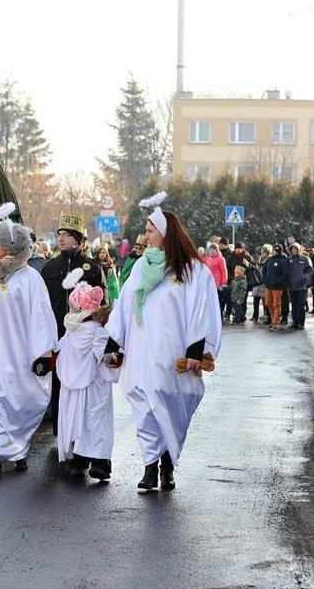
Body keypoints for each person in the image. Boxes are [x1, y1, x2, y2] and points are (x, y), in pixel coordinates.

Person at [105, 192, 222, 491]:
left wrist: (197, 349)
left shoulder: (192, 271)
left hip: (174, 356)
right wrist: (113, 343)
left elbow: (202, 309)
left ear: (166, 233)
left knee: (169, 404)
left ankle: (167, 462)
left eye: (150, 231)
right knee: (144, 405)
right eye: (145, 231)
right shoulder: (142, 268)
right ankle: (149, 466)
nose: (145, 236)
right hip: (141, 351)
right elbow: (125, 305)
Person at [0, 205, 58, 474]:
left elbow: (41, 318)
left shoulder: (30, 279)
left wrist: (42, 355)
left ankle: (18, 450)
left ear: (10, 248)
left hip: (20, 355)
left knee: (19, 403)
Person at [41, 212, 104, 432]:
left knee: (84, 383)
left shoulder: (93, 268)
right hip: (58, 333)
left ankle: (84, 432)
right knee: (60, 381)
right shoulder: (49, 268)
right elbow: (42, 304)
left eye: (67, 234)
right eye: (59, 234)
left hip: (83, 337)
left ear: (78, 238)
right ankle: (62, 429)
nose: (61, 238)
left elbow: (102, 303)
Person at [56, 273, 118, 481]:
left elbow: (102, 352)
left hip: (94, 384)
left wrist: (109, 358)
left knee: (94, 421)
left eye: (73, 306)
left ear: (81, 308)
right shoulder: (72, 328)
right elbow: (61, 349)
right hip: (76, 383)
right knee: (82, 421)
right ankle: (80, 458)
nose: (70, 309)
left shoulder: (96, 330)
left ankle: (100, 462)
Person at [263, 245, 289, 332]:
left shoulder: (283, 261)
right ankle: (272, 318)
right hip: (269, 285)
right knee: (268, 303)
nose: (273, 252)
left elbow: (285, 274)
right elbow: (264, 269)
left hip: (277, 287)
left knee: (276, 304)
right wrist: (265, 280)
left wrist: (278, 281)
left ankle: (275, 322)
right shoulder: (269, 260)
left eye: (275, 251)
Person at [287, 244, 312, 330]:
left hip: (302, 286)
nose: (294, 250)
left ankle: (301, 323)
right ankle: (295, 322)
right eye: (292, 249)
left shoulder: (304, 259)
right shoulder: (289, 260)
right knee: (294, 305)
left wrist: (305, 277)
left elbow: (310, 270)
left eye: (295, 249)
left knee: (301, 306)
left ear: (298, 250)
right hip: (292, 286)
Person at [204, 243, 228, 319]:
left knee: (218, 302)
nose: (212, 251)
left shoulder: (221, 259)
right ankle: (211, 317)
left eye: (213, 249)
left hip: (218, 284)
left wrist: (224, 283)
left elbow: (224, 271)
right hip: (209, 283)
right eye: (210, 249)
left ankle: (219, 317)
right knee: (210, 301)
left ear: (217, 250)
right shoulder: (208, 258)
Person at [252, 244, 271, 324]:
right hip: (257, 282)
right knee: (255, 300)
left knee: (265, 301)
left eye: (264, 252)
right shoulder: (259, 259)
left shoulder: (269, 260)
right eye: (262, 251)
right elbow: (256, 268)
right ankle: (255, 316)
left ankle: (266, 315)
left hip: (264, 283)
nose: (263, 253)